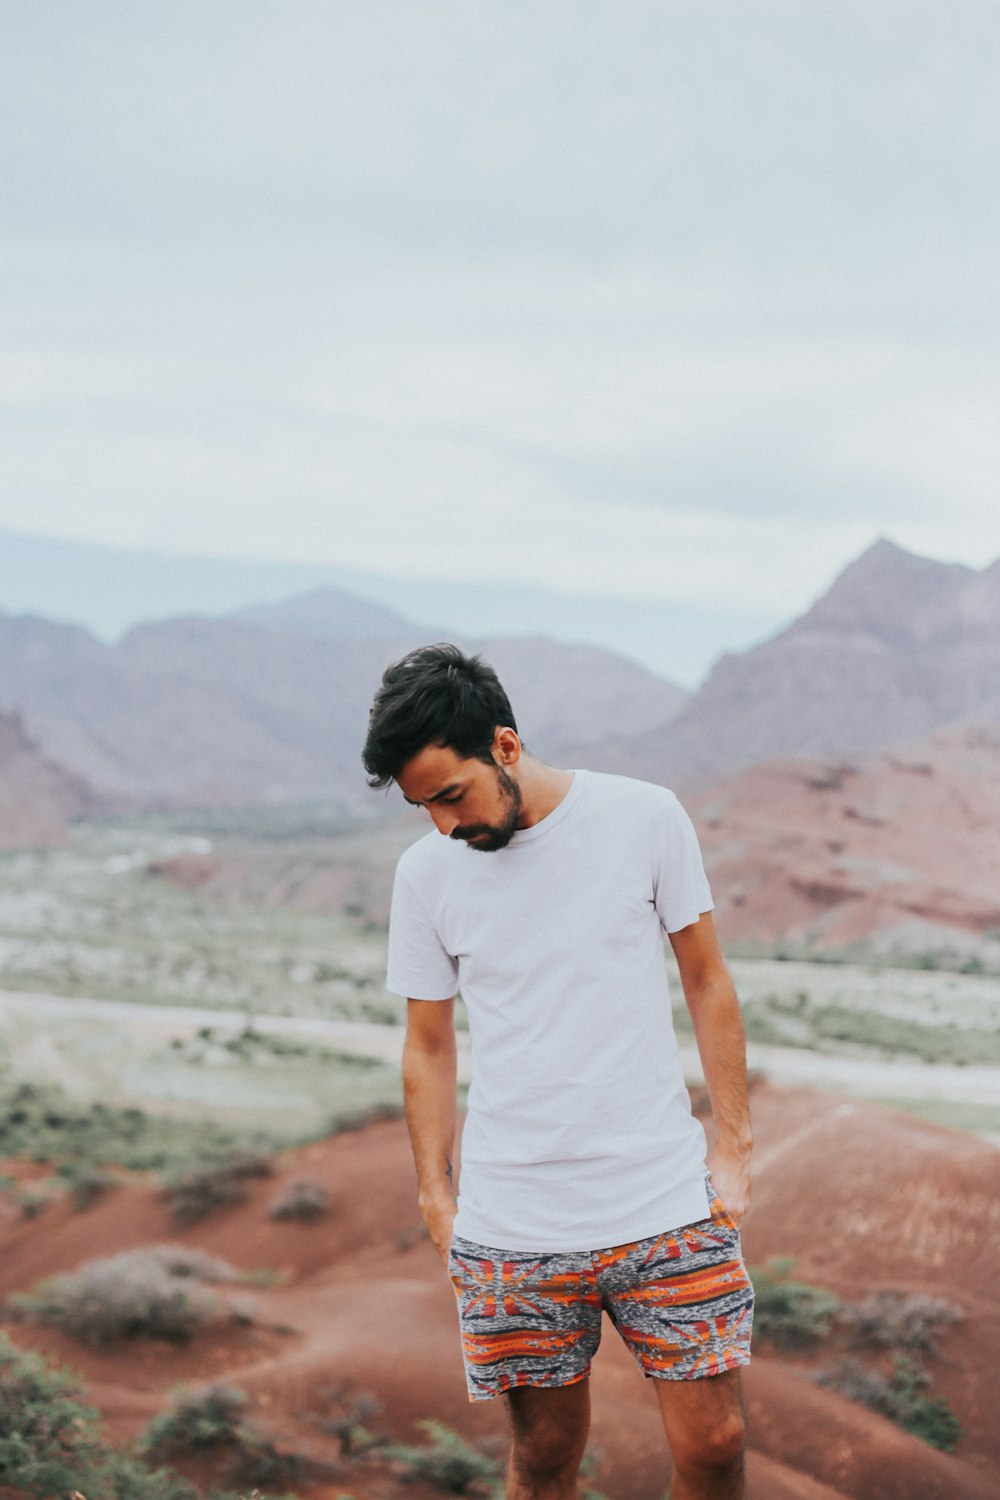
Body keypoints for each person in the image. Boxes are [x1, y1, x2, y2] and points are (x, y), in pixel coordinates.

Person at [362, 643, 753, 1500]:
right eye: (421, 805)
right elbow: (428, 1044)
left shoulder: (646, 817)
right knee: (542, 1460)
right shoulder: (426, 875)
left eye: (451, 795)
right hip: (515, 1222)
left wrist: (734, 1148)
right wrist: (436, 1195)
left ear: (504, 746)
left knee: (717, 1446)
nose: (442, 824)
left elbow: (708, 981)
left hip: (665, 1199)